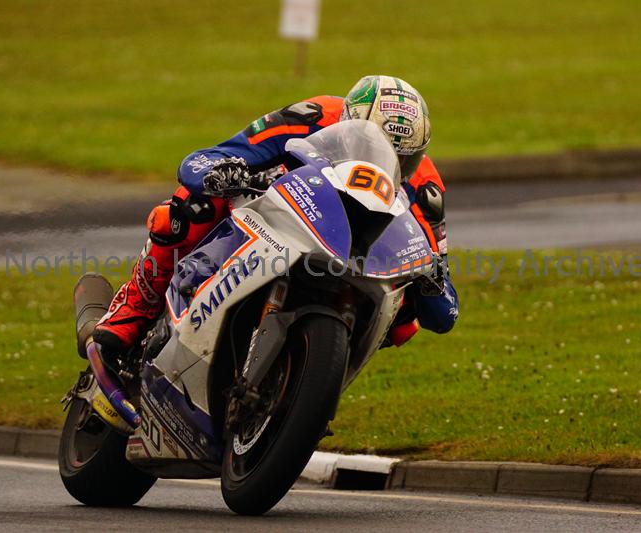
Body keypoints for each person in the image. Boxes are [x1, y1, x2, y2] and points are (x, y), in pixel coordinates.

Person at [93, 75, 459, 361]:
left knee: (404, 316)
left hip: (358, 264)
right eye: (376, 145)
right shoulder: (312, 116)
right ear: (347, 121)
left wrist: (431, 281)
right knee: (192, 205)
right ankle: (133, 310)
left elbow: (444, 312)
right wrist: (225, 173)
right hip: (282, 223)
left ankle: (311, 388)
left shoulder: (425, 190)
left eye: (405, 159)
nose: (391, 163)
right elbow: (205, 160)